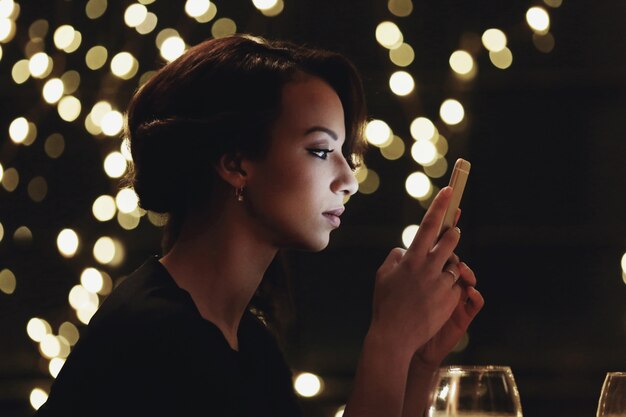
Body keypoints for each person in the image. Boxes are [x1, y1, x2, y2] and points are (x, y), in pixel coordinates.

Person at [34, 34, 484, 417]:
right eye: (321, 151)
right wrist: (389, 340)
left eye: (346, 153)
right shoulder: (153, 338)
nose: (348, 180)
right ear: (234, 162)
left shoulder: (250, 344)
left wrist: (418, 360)